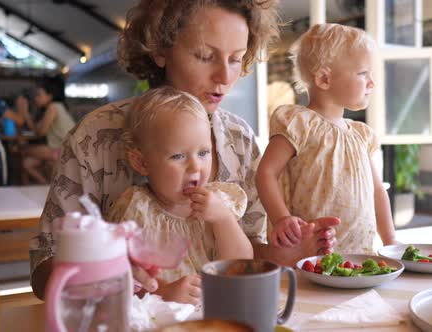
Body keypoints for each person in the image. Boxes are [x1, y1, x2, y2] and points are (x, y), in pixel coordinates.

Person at [30, 0, 339, 300]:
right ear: (160, 49)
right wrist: (100, 271)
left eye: (235, 59)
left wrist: (285, 254)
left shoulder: (238, 139)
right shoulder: (97, 136)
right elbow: (43, 272)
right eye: (206, 56)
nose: (225, 77)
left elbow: (240, 254)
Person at [256, 23, 396, 254]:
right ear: (324, 79)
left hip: (359, 255)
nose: (372, 82)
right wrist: (281, 218)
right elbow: (266, 173)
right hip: (310, 254)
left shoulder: (360, 135)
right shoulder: (299, 123)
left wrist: (391, 241)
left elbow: (377, 191)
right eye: (363, 74)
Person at [108, 87, 252, 304]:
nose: (195, 166)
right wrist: (163, 293)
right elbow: (118, 281)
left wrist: (224, 219)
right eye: (178, 156)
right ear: (142, 162)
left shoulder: (218, 201)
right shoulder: (137, 209)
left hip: (217, 312)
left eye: (203, 153)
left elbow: (242, 265)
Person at [21, 84, 76, 184]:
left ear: (49, 96)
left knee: (23, 150)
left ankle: (48, 186)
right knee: (27, 163)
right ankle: (47, 186)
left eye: (39, 95)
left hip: (64, 150)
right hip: (59, 148)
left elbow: (40, 133)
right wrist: (27, 115)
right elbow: (37, 130)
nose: (36, 98)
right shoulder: (54, 107)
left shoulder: (53, 107)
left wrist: (25, 114)